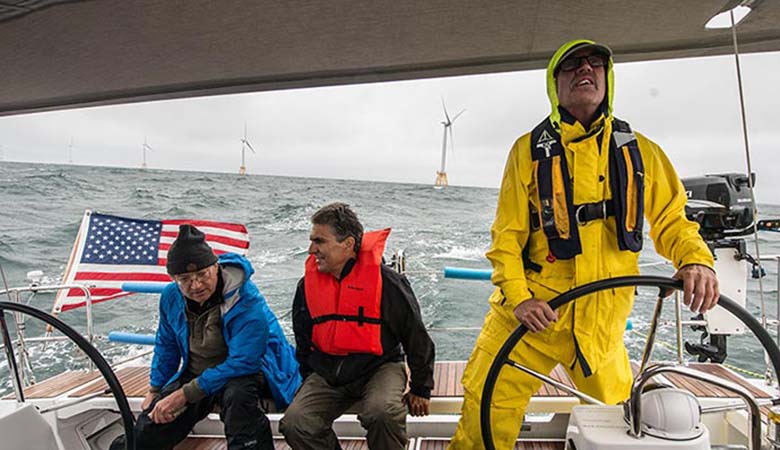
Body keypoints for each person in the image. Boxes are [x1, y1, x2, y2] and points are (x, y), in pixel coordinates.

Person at [448, 39, 720, 449]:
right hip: (529, 319)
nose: (585, 70)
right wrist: (519, 298)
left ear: (608, 79)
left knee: (625, 429)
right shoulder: (526, 152)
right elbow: (506, 237)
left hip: (602, 326)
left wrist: (696, 261)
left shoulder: (641, 151)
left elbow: (671, 220)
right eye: (572, 65)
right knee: (483, 415)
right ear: (554, 84)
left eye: (596, 63)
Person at [110, 224, 301, 450]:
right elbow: (167, 344)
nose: (196, 285)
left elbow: (244, 362)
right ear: (174, 279)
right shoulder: (171, 297)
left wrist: (185, 394)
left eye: (202, 274)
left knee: (239, 404)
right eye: (185, 279)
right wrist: (156, 388)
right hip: (198, 372)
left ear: (216, 267)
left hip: (250, 372)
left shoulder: (246, 299)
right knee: (147, 429)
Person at [280, 202, 435, 450]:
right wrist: (310, 379)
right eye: (312, 241)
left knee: (382, 413)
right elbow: (304, 340)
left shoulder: (388, 283)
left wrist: (421, 388)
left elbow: (416, 337)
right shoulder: (306, 286)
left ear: (348, 244)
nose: (311, 250)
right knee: (296, 422)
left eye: (319, 241)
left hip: (380, 367)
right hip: (328, 371)